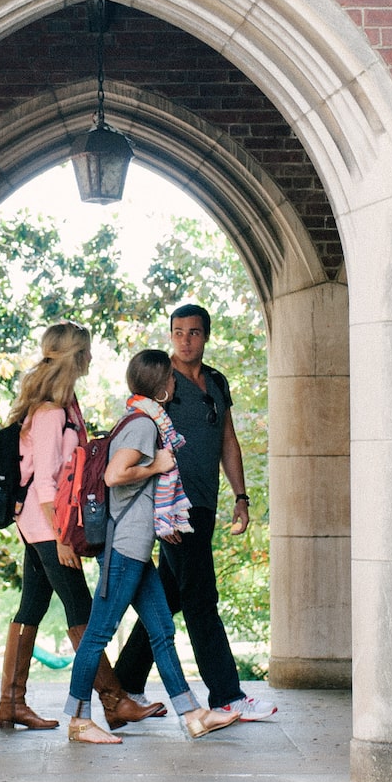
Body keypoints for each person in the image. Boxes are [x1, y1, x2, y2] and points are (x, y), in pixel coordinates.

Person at [62, 349, 241, 744]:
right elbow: (114, 475)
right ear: (161, 389)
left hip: (138, 551)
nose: (176, 384)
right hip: (125, 549)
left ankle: (193, 714)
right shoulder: (143, 425)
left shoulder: (146, 420)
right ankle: (77, 719)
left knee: (162, 631)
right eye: (171, 380)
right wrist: (157, 466)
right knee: (97, 635)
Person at [113, 303, 279, 721]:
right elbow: (139, 439)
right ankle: (227, 695)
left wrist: (241, 497)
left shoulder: (217, 382)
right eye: (178, 332)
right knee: (202, 599)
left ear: (206, 336)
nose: (185, 340)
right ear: (171, 335)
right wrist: (160, 514)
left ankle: (120, 692)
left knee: (166, 599)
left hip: (203, 504)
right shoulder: (160, 382)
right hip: (172, 510)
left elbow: (228, 440)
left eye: (194, 332)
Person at [0, 321, 156, 731]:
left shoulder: (65, 407)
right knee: (80, 606)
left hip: (37, 523)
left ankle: (11, 703)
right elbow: (47, 484)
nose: (91, 358)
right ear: (75, 356)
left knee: (32, 605)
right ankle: (114, 700)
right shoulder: (51, 413)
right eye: (86, 351)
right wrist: (62, 537)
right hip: (46, 524)